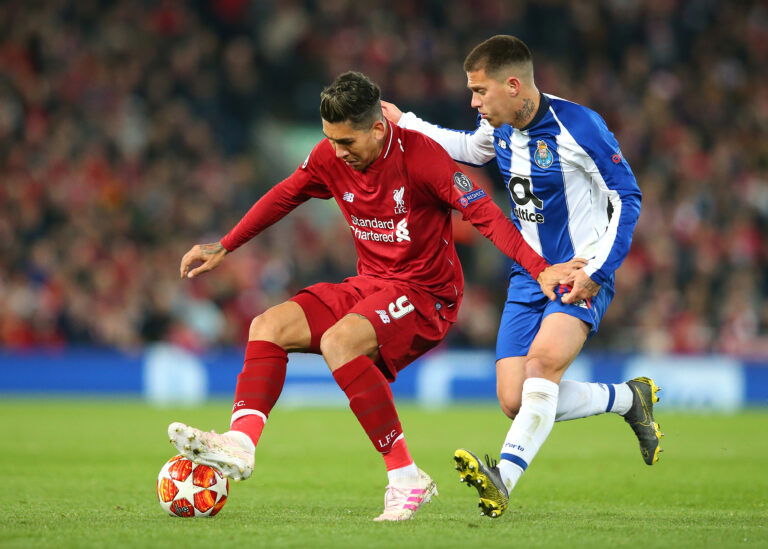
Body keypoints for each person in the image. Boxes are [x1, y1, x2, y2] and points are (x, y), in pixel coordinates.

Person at [168, 71, 581, 522]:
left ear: (378, 128)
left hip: (427, 294)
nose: (337, 153)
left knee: (339, 342)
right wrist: (225, 244)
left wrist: (539, 269)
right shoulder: (330, 156)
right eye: (330, 141)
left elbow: (484, 214)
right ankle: (241, 444)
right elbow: (285, 195)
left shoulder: (422, 157)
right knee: (267, 325)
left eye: (347, 142)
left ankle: (405, 477)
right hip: (371, 284)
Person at [381, 35, 662, 519]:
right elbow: (470, 148)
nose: (474, 102)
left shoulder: (579, 126)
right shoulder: (501, 125)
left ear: (513, 86)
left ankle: (502, 479)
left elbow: (628, 197)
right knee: (516, 398)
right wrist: (404, 122)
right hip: (528, 275)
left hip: (579, 271)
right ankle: (625, 398)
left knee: (543, 366)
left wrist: (598, 270)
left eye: (479, 91)